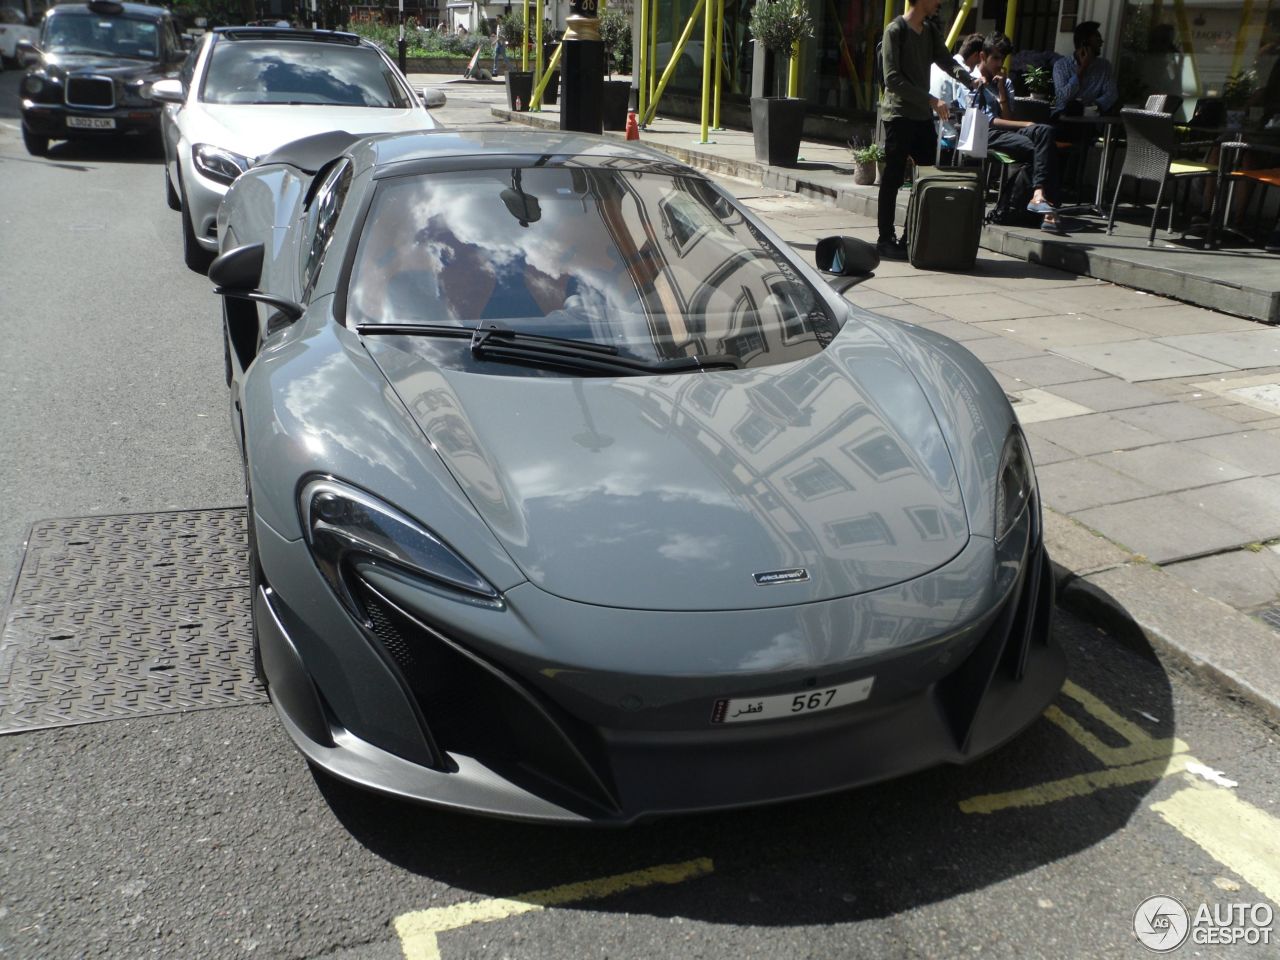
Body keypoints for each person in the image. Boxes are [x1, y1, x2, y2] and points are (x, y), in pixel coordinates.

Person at [878, 0, 976, 261]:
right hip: (898, 114)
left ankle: (912, 236)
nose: (940, 4)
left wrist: (969, 79)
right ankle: (885, 239)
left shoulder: (930, 31)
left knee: (925, 179)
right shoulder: (895, 31)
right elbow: (892, 79)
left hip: (921, 116)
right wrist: (932, 100)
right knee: (893, 179)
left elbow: (945, 60)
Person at [973, 34, 1064, 233]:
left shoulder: (1004, 83)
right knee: (1043, 149)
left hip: (1006, 132)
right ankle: (1049, 209)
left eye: (1002, 59)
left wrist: (1002, 93)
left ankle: (1038, 195)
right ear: (983, 56)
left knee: (1046, 132)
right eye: (995, 58)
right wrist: (1027, 123)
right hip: (984, 134)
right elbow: (987, 121)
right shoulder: (972, 80)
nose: (999, 63)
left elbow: (1007, 117)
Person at [1052, 20, 1119, 117]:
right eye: (1097, 38)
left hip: (1091, 119)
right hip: (1064, 118)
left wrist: (1093, 106)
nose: (1101, 42)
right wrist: (1083, 68)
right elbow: (1063, 98)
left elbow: (1112, 94)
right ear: (1084, 43)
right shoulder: (1061, 65)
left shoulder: (1104, 66)